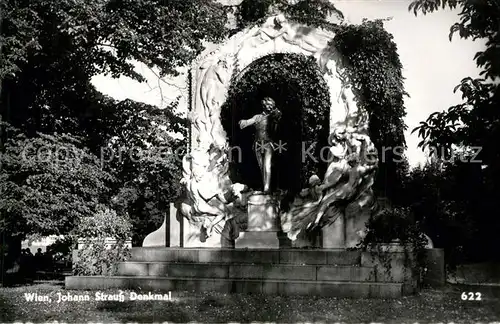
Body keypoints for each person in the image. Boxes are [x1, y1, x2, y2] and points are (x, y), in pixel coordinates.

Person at [239, 97, 282, 192]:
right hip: (258, 145)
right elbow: (249, 121)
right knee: (262, 167)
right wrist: (244, 122)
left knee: (267, 166)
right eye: (269, 105)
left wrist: (276, 116)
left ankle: (267, 188)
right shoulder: (257, 117)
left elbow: (276, 120)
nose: (270, 107)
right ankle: (265, 187)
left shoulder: (273, 117)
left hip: (267, 144)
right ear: (264, 105)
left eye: (272, 106)